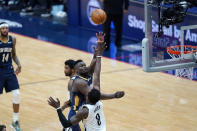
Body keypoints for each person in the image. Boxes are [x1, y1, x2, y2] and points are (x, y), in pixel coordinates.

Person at [48, 37, 125, 130]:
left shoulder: (86, 74)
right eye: (81, 66)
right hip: (78, 113)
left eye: (85, 65)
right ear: (75, 70)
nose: (85, 67)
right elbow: (96, 93)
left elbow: (94, 67)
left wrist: (97, 52)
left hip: (85, 111)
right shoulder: (79, 82)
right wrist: (114, 95)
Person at [0, 22, 22, 131]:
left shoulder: (12, 39)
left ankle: (15, 121)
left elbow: (13, 54)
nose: (5, 30)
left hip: (9, 70)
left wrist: (19, 64)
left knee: (17, 93)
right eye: (3, 28)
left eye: (6, 28)